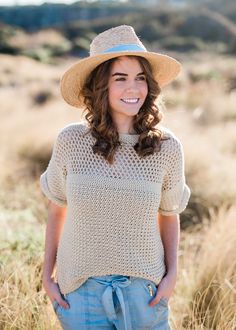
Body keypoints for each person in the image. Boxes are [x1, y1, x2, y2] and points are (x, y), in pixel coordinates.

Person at [40, 25, 191, 330]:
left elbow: (169, 216)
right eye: (119, 79)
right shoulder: (71, 141)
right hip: (79, 293)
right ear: (100, 87)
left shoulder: (166, 148)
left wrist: (171, 276)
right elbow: (57, 208)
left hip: (144, 293)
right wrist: (47, 276)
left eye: (140, 79)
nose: (132, 89)